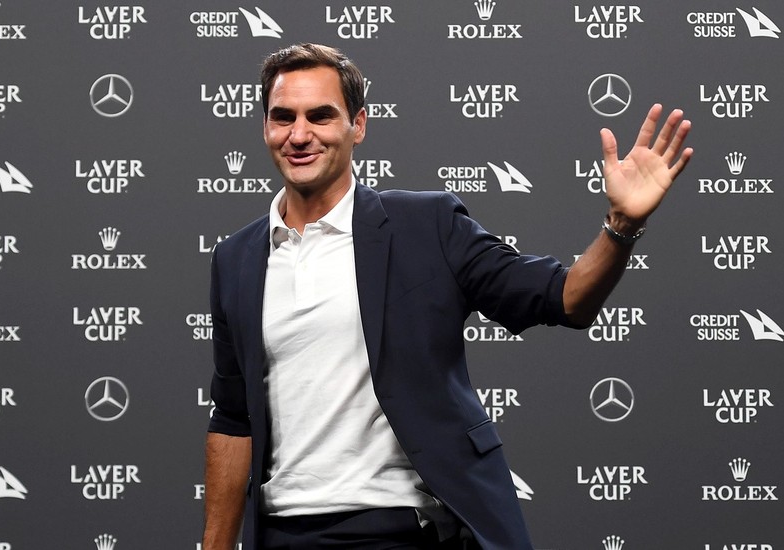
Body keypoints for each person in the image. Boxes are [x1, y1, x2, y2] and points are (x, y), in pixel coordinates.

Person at [202, 43, 692, 550]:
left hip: (399, 530)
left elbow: (563, 298)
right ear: (265, 127)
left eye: (320, 116)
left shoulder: (426, 225)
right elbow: (232, 418)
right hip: (283, 533)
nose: (299, 135)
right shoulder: (236, 258)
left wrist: (622, 225)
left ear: (359, 126)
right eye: (283, 117)